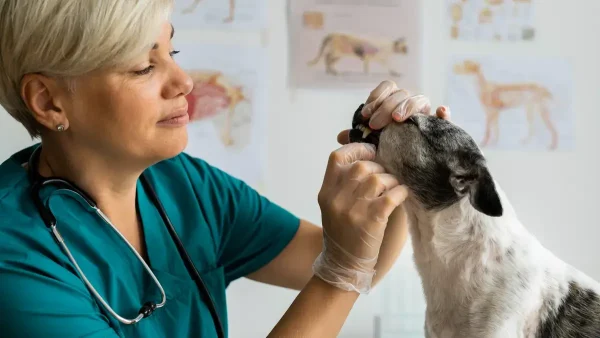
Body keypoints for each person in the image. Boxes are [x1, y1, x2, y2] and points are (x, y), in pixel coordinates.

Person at [0, 1, 451, 337]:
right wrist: (341, 272)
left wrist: (396, 165)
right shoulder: (14, 256)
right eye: (142, 67)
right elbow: (346, 266)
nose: (184, 82)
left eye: (171, 50)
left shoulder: (185, 185)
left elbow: (363, 263)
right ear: (47, 100)